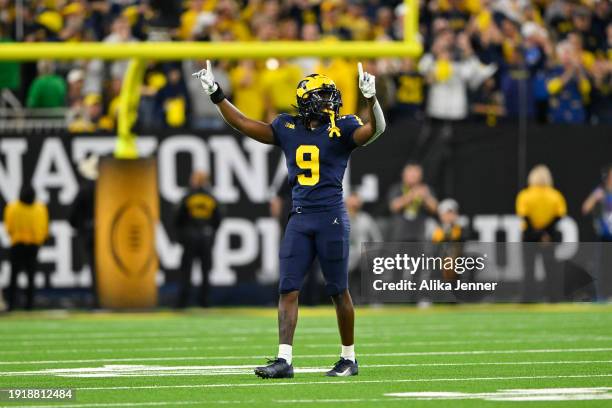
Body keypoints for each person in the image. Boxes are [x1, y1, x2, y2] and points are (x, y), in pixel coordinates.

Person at [193, 59, 386, 378]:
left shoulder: (343, 127)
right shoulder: (287, 127)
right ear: (308, 101)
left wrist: (371, 99)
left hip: (331, 218)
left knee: (338, 290)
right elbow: (243, 123)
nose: (330, 102)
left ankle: (349, 358)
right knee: (288, 288)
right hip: (300, 217)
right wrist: (216, 93)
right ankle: (284, 359)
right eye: (324, 96)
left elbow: (376, 130)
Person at [516, 165, 567, 302]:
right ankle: (554, 298)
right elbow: (559, 215)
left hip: (529, 235)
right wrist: (545, 234)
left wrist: (536, 233)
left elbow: (524, 215)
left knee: (529, 269)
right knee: (550, 269)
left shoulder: (525, 195)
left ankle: (528, 299)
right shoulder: (555, 195)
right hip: (548, 236)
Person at [174, 170, 221, 308]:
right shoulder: (211, 198)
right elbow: (217, 220)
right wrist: (210, 235)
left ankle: (183, 302)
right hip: (205, 238)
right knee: (205, 271)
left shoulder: (188, 197)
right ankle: (204, 302)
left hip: (190, 237)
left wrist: (181, 236)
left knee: (186, 271)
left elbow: (178, 218)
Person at [3, 185, 49, 310]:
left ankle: (12, 304)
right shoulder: (40, 208)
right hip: (32, 246)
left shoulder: (12, 208)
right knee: (30, 276)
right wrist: (38, 239)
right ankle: (29, 305)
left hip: (18, 245)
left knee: (14, 276)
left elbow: (9, 227)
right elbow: (44, 228)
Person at [69, 155, 99, 308]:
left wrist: (81, 227)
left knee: (95, 267)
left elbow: (73, 215)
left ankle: (98, 300)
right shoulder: (106, 188)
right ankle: (110, 298)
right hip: (107, 234)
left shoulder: (85, 189)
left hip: (89, 232)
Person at [582, 164, 612, 300]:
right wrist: (595, 198)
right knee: (601, 267)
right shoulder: (600, 192)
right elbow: (586, 208)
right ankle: (601, 296)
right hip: (604, 236)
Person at [387, 162, 438, 242]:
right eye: (411, 174)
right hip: (400, 234)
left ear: (420, 176)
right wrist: (411, 195)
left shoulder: (426, 189)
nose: (413, 177)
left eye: (415, 175)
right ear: (404, 175)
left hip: (420, 234)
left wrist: (426, 197)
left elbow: (435, 208)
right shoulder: (396, 188)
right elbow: (394, 207)